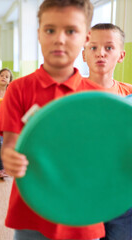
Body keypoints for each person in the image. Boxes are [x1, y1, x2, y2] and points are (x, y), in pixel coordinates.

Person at [0, 0, 106, 239]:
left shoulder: (98, 97)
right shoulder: (18, 89)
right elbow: (10, 146)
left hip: (82, 208)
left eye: (71, 31)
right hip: (33, 206)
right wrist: (11, 159)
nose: (59, 39)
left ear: (86, 38)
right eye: (50, 30)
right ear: (38, 34)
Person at [83, 23, 132, 240]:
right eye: (93, 47)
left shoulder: (129, 94)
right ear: (83, 54)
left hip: (123, 196)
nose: (100, 52)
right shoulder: (67, 95)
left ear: (121, 55)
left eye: (109, 47)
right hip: (83, 191)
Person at [0, 68, 13, 179]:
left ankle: (8, 166)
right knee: (0, 143)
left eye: (6, 76)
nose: (4, 78)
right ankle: (2, 169)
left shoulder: (11, 92)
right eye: (2, 75)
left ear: (9, 80)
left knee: (8, 144)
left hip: (8, 121)